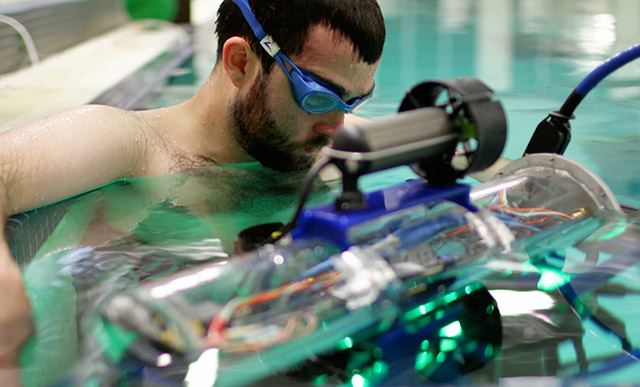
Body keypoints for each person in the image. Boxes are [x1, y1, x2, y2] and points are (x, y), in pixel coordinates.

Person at [0, 0, 386, 379]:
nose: (335, 126)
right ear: (240, 62)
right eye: (316, 96)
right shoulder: (133, 145)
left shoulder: (337, 143)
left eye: (353, 101)